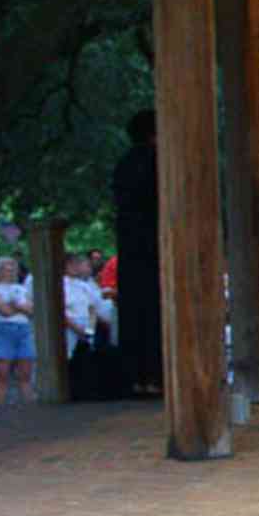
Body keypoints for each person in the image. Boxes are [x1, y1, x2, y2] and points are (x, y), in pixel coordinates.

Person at [114, 108, 161, 395]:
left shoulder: (124, 165)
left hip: (131, 247)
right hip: (155, 244)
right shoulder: (156, 162)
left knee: (135, 311)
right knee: (155, 310)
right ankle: (156, 375)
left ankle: (138, 377)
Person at [0, 257, 36, 405]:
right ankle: (0, 408)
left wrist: (15, 305)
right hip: (2, 329)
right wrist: (19, 306)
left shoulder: (22, 288)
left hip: (24, 329)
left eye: (12, 269)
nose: (10, 272)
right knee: (3, 374)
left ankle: (29, 407)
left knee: (25, 373)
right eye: (6, 269)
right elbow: (3, 310)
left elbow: (31, 310)